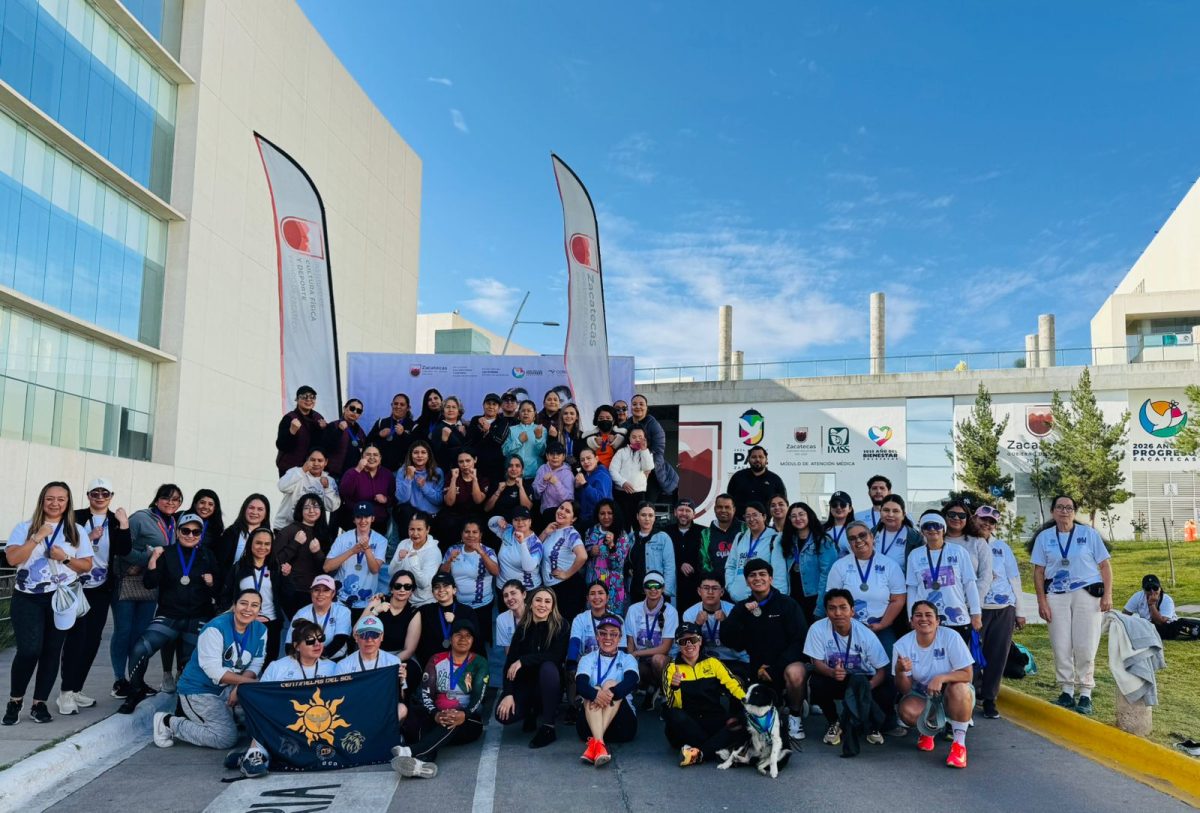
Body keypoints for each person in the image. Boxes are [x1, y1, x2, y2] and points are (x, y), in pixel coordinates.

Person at [3, 482, 92, 726]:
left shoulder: (76, 531)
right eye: (50, 498)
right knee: (29, 650)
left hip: (60, 599)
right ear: (42, 500)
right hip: (28, 598)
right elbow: (12, 559)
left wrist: (65, 558)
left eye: (61, 499)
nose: (55, 503)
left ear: (68, 502)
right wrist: (36, 537)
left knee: (52, 651)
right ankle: (15, 700)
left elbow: (86, 566)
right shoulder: (24, 528)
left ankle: (39, 704)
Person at [119, 512, 218, 713]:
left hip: (197, 617)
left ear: (201, 534)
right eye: (186, 530)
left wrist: (212, 583)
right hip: (169, 617)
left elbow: (221, 589)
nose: (190, 535)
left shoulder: (208, 555)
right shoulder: (165, 553)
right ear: (178, 532)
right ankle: (136, 690)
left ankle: (184, 703)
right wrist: (153, 560)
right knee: (139, 650)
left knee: (189, 664)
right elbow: (149, 583)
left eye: (196, 532)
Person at [152, 589, 267, 750]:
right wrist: (248, 683)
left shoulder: (261, 629)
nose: (248, 609)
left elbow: (256, 662)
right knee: (225, 738)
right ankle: (168, 722)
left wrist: (241, 686)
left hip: (230, 686)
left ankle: (232, 717)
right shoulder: (215, 628)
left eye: (254, 605)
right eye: (243, 603)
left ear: (259, 610)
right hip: (199, 690)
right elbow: (214, 671)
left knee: (262, 717)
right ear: (234, 605)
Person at [227, 618, 339, 779]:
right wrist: (241, 687)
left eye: (321, 639)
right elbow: (261, 696)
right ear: (296, 646)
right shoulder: (278, 666)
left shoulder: (333, 667)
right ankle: (253, 757)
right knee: (262, 713)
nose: (317, 644)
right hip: (282, 722)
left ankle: (251, 754)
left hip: (317, 723)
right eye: (310, 640)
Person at [1032, 495, 1113, 714]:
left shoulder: (1088, 534)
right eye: (1060, 507)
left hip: (1086, 594)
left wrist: (1107, 595)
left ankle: (1085, 693)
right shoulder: (1044, 537)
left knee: (1085, 644)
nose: (1064, 511)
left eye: (1069, 508)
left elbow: (1105, 566)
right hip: (1056, 595)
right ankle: (1066, 690)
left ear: (1075, 512)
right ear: (1052, 512)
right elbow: (1039, 571)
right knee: (1061, 644)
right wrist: (1041, 601)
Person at [58, 478, 131, 716]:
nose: (100, 497)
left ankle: (76, 688)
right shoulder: (75, 517)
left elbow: (124, 550)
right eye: (95, 493)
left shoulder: (115, 520)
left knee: (92, 640)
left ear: (111, 496)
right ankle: (65, 692)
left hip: (101, 587)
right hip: (75, 584)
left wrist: (124, 524)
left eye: (105, 493)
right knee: (75, 639)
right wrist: (87, 539)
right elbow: (61, 546)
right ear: (88, 495)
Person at [719, 558, 809, 747]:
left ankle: (795, 715)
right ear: (747, 581)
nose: (757, 578)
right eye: (752, 575)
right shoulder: (742, 607)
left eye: (762, 574)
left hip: (783, 665)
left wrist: (775, 668)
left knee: (796, 672)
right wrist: (740, 615)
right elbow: (729, 640)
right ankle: (776, 706)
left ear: (771, 578)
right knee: (748, 725)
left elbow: (800, 640)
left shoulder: (787, 604)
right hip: (755, 668)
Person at [393, 618, 490, 779]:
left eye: (468, 636)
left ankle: (409, 751)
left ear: (473, 640)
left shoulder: (479, 662)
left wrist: (463, 714)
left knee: (452, 718)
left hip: (468, 721)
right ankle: (422, 766)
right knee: (431, 726)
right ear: (450, 639)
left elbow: (479, 697)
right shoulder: (436, 659)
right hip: (436, 716)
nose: (463, 639)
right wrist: (435, 714)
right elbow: (426, 694)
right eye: (458, 635)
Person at [113, 483, 182, 699]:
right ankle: (119, 680)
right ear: (157, 499)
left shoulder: (174, 522)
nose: (171, 502)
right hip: (128, 581)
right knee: (123, 632)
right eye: (166, 498)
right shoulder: (140, 518)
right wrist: (146, 558)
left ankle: (136, 680)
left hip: (151, 585)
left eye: (176, 499)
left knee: (141, 634)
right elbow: (122, 548)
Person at [804, 589, 892, 749]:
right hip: (836, 677)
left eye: (843, 607)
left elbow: (881, 669)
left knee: (888, 686)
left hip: (864, 678)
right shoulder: (817, 629)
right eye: (832, 608)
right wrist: (831, 672)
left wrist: (868, 686)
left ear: (852, 611)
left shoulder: (865, 634)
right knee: (816, 683)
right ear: (826, 612)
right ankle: (834, 722)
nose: (838, 613)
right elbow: (816, 662)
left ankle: (873, 725)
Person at [892, 600, 975, 769]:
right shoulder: (902, 645)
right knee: (907, 710)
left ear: (937, 621)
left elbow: (968, 674)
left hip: (951, 693)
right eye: (918, 615)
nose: (924, 619)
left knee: (960, 687)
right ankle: (929, 730)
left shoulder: (951, 637)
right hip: (924, 695)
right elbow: (905, 689)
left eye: (928, 615)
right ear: (911, 621)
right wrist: (899, 671)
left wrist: (941, 678)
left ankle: (959, 745)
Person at [663, 621, 747, 767]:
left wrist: (749, 704)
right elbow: (672, 704)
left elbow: (734, 686)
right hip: (688, 722)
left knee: (742, 721)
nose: (689, 644)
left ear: (700, 641)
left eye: (693, 639)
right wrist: (675, 687)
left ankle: (700, 753)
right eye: (683, 641)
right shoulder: (671, 668)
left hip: (712, 717)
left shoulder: (713, 663)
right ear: (678, 645)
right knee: (673, 713)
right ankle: (717, 747)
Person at [495, 586, 568, 748]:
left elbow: (556, 656)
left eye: (547, 601)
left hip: (548, 684)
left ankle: (548, 727)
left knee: (548, 667)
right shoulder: (523, 628)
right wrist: (508, 693)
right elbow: (509, 664)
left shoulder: (560, 625)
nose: (542, 605)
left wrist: (523, 661)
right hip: (525, 684)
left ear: (552, 606)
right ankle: (531, 711)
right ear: (531, 603)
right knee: (503, 716)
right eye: (538, 600)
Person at [824, 522, 906, 655]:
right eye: (852, 538)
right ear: (849, 543)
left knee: (891, 662)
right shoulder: (839, 566)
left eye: (862, 535)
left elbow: (898, 599)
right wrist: (845, 625)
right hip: (847, 627)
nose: (858, 540)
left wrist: (882, 625)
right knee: (850, 663)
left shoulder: (890, 565)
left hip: (880, 626)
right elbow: (831, 599)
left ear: (872, 537)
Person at [975, 504, 1025, 718]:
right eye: (983, 519)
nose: (987, 524)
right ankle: (971, 693)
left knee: (997, 656)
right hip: (977, 609)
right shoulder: (966, 544)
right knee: (972, 655)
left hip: (1004, 609)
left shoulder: (1002, 547)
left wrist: (1020, 611)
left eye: (991, 522)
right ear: (974, 519)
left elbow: (1014, 579)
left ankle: (989, 698)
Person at [906, 510, 982, 644]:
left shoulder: (959, 552)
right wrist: (911, 616)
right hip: (926, 620)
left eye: (937, 525)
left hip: (957, 618)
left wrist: (976, 614)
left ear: (944, 529)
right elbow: (912, 588)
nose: (932, 529)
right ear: (922, 531)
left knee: (958, 656)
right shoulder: (915, 555)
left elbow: (970, 584)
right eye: (927, 526)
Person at [575, 614, 640, 766]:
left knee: (611, 684)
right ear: (597, 636)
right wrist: (596, 694)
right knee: (594, 689)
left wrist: (610, 693)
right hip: (588, 727)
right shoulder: (587, 659)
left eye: (613, 634)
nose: (608, 637)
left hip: (622, 726)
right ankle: (599, 744)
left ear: (620, 638)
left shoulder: (627, 658)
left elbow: (631, 681)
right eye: (603, 633)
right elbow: (581, 685)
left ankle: (595, 744)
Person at [223, 527, 290, 670]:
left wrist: (286, 577)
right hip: (243, 622)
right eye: (258, 543)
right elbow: (226, 594)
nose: (262, 547)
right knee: (240, 664)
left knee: (268, 666)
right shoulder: (239, 567)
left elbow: (288, 595)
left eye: (267, 544)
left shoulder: (276, 568)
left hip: (271, 624)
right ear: (251, 544)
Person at [334, 616, 410, 725]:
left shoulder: (393, 661)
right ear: (356, 637)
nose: (369, 640)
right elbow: (339, 698)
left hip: (382, 709)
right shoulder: (343, 665)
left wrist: (401, 681)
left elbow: (401, 698)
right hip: (355, 709)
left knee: (402, 709)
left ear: (381, 637)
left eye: (374, 635)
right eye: (364, 635)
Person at [325, 502, 389, 621]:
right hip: (340, 600)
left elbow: (375, 569)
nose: (363, 521)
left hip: (366, 602)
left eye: (366, 517)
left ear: (372, 518)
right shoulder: (343, 538)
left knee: (359, 632)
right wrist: (352, 551)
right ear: (354, 519)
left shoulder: (381, 540)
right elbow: (327, 567)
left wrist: (367, 548)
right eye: (359, 517)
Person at [440, 520, 500, 646]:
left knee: (480, 643)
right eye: (467, 532)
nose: (470, 535)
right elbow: (442, 576)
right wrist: (449, 560)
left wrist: (481, 552)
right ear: (462, 534)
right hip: (459, 606)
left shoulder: (488, 551)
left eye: (474, 532)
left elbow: (495, 571)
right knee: (460, 641)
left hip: (482, 606)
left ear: (480, 535)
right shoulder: (453, 550)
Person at [624, 571, 679, 706]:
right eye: (649, 586)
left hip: (665, 659)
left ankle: (667, 693)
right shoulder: (633, 610)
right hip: (642, 660)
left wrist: (637, 653)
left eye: (657, 586)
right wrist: (630, 660)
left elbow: (665, 648)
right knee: (630, 666)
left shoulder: (671, 611)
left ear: (663, 588)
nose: (653, 589)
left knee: (657, 660)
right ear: (644, 589)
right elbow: (630, 641)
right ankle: (651, 687)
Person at [274, 494, 334, 617]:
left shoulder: (324, 533)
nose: (311, 511)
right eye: (306, 508)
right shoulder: (289, 531)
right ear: (300, 511)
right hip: (293, 591)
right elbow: (274, 561)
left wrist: (317, 552)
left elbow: (326, 568)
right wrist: (295, 544)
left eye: (315, 507)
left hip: (317, 592)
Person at [782, 502, 835, 622]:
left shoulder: (823, 541)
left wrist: (820, 605)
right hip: (793, 598)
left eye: (801, 514)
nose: (798, 518)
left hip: (814, 598)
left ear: (809, 516)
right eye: (793, 516)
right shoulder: (788, 541)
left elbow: (827, 575)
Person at [680, 573, 747, 669]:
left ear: (722, 592)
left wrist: (726, 623)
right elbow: (688, 648)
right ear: (699, 591)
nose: (710, 592)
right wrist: (696, 625)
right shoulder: (689, 613)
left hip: (733, 660)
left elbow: (738, 645)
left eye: (715, 588)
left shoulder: (733, 610)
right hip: (705, 662)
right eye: (706, 588)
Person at [415, 573, 480, 667]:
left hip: (461, 665)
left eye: (445, 586)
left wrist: (456, 621)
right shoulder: (425, 611)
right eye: (437, 587)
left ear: (454, 590)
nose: (441, 590)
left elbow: (476, 640)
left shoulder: (467, 611)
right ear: (433, 592)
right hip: (433, 665)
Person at [726, 501, 787, 602]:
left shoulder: (774, 538)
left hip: (764, 600)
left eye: (755, 515)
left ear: (764, 517)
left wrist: (778, 599)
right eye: (748, 516)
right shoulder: (739, 537)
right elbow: (730, 566)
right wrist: (731, 588)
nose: (751, 519)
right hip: (739, 600)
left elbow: (779, 572)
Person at [623, 394, 679, 501]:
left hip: (650, 473)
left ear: (646, 407)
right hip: (629, 473)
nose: (638, 407)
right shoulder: (625, 426)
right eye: (634, 404)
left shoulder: (655, 426)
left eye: (641, 404)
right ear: (630, 407)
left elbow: (658, 452)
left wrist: (647, 467)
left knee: (646, 505)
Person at [539, 500, 589, 618]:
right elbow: (534, 550)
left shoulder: (571, 534)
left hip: (567, 588)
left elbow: (583, 556)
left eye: (567, 511)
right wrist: (545, 533)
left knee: (565, 625)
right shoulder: (552, 529)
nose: (562, 512)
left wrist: (566, 574)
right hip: (550, 587)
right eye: (561, 508)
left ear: (573, 519)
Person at [584, 500, 633, 614]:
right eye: (602, 513)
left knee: (613, 620)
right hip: (594, 584)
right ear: (597, 515)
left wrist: (612, 546)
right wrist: (590, 552)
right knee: (593, 617)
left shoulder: (622, 535)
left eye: (610, 513)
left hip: (613, 587)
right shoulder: (590, 532)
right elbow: (583, 556)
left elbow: (617, 565)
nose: (606, 517)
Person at [363, 571, 422, 666]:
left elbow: (409, 650)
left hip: (398, 656)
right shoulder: (378, 601)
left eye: (407, 587)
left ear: (412, 591)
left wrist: (387, 663)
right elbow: (356, 630)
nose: (402, 589)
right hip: (370, 653)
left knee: (411, 669)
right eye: (398, 586)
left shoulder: (413, 612)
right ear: (391, 589)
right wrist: (375, 611)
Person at [626, 502, 676, 604]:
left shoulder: (663, 538)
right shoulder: (630, 537)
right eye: (643, 515)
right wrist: (628, 567)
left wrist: (666, 591)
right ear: (637, 516)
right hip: (636, 590)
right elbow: (625, 560)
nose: (647, 519)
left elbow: (669, 566)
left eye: (650, 515)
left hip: (657, 590)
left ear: (654, 518)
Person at [391, 511, 444, 607]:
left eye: (419, 529)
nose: (415, 533)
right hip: (402, 599)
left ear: (427, 529)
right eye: (412, 529)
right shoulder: (403, 543)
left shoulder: (434, 552)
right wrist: (398, 560)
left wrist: (413, 560)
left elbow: (424, 584)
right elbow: (391, 573)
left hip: (423, 603)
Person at [292, 575, 352, 659]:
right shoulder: (301, 613)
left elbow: (340, 640)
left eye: (326, 590)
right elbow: (290, 644)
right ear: (311, 592)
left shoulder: (342, 611)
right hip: (307, 660)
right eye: (316, 590)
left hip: (335, 660)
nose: (320, 594)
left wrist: (320, 659)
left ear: (333, 593)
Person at [215, 493, 271, 583]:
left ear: (266, 514)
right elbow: (220, 564)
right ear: (244, 509)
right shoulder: (231, 533)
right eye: (251, 508)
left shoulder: (270, 537)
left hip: (260, 585)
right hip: (233, 584)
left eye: (260, 509)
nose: (254, 512)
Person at [1124, 574, 1200, 640]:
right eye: (1148, 588)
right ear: (1143, 590)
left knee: (1171, 627)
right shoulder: (1138, 596)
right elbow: (1125, 614)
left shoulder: (1167, 599)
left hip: (1168, 625)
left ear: (1160, 588)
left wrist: (1151, 604)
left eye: (1155, 588)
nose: (1152, 591)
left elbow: (1160, 622)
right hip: (1148, 626)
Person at [337, 443, 393, 532]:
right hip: (355, 520)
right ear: (362, 457)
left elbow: (394, 498)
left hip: (378, 521)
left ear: (380, 458)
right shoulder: (352, 472)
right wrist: (358, 469)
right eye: (368, 454)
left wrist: (386, 499)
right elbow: (343, 492)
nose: (372, 457)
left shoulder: (387, 474)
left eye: (375, 455)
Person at [393, 440, 444, 533]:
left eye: (423, 452)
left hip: (431, 515)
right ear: (411, 455)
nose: (419, 455)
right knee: (404, 510)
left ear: (429, 455)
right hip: (411, 514)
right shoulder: (402, 471)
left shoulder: (437, 472)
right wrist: (408, 478)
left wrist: (424, 486)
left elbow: (439, 500)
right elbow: (402, 499)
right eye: (416, 452)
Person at [275, 385, 327, 476]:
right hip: (290, 468)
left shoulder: (318, 418)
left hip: (311, 468)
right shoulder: (289, 418)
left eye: (312, 397)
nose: (309, 400)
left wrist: (324, 430)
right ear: (297, 399)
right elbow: (281, 445)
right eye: (304, 397)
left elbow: (322, 445)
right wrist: (291, 432)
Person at [609, 427, 655, 525]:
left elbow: (648, 468)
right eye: (634, 437)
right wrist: (623, 482)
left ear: (645, 438)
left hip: (639, 493)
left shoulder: (647, 452)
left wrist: (644, 450)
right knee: (621, 520)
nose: (637, 439)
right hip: (621, 492)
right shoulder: (621, 452)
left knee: (637, 521)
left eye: (640, 437)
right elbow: (612, 470)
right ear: (629, 438)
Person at [944, 498, 992, 591]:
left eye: (962, 515)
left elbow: (986, 576)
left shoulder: (978, 542)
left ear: (967, 519)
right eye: (952, 514)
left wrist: (975, 598)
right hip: (942, 598)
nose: (956, 518)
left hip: (971, 598)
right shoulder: (935, 541)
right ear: (944, 516)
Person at [490, 507, 544, 591]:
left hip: (526, 589)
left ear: (530, 522)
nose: (520, 522)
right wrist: (499, 519)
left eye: (524, 519)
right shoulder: (508, 531)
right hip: (503, 587)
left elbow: (528, 568)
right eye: (516, 519)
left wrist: (522, 543)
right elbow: (491, 524)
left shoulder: (536, 544)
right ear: (512, 522)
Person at [442, 449, 490, 543]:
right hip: (455, 515)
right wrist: (453, 479)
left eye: (468, 461)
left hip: (474, 516)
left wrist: (474, 479)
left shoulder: (482, 478)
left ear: (475, 460)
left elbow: (478, 500)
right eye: (461, 462)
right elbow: (449, 502)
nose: (464, 464)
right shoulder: (452, 475)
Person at [726, 446, 787, 517]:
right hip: (740, 521)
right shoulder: (738, 477)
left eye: (761, 457)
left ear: (766, 460)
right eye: (754, 457)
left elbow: (782, 503)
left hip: (765, 522)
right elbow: (729, 500)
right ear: (748, 459)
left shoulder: (775, 480)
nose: (757, 459)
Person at [698, 493, 743, 587]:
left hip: (742, 584)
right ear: (715, 509)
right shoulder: (706, 533)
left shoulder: (745, 529)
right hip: (717, 587)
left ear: (734, 509)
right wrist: (715, 582)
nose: (723, 510)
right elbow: (704, 562)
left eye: (727, 507)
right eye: (720, 507)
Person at [666, 499, 703, 608]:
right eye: (681, 510)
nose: (684, 513)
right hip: (672, 586)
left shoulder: (703, 532)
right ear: (675, 512)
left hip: (696, 585)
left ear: (694, 514)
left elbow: (707, 558)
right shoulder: (665, 532)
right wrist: (679, 564)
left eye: (688, 510)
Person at [366, 392, 415, 473]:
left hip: (402, 471)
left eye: (402, 404)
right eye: (395, 404)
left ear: (408, 408)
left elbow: (415, 448)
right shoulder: (381, 422)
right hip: (380, 469)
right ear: (391, 405)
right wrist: (379, 435)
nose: (398, 406)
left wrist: (403, 435)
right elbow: (367, 442)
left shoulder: (413, 425)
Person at [468, 392, 509, 484]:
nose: (491, 406)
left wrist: (488, 431)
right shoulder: (475, 419)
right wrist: (480, 429)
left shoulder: (503, 421)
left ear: (499, 408)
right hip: (477, 465)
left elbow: (499, 441)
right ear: (483, 405)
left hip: (495, 466)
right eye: (488, 403)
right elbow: (470, 440)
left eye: (494, 404)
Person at [503, 400, 547, 482]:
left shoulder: (541, 429)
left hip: (535, 475)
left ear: (534, 414)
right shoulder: (511, 430)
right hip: (514, 475)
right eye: (523, 410)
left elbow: (542, 453)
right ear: (519, 414)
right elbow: (505, 452)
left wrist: (538, 438)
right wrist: (519, 441)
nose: (526, 413)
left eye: (529, 411)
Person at [874, 494, 921, 571]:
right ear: (880, 512)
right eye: (886, 510)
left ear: (903, 515)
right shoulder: (871, 534)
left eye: (895, 511)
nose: (890, 514)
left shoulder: (915, 538)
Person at [533, 441, 575, 525]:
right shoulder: (542, 469)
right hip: (544, 513)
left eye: (558, 454)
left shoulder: (568, 473)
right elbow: (536, 494)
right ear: (547, 456)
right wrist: (543, 482)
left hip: (560, 515)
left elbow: (569, 499)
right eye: (552, 454)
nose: (555, 457)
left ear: (563, 456)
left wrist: (556, 483)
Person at [483, 455, 533, 524]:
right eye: (510, 466)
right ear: (506, 469)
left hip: (518, 525)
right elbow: (486, 509)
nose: (514, 469)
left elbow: (527, 508)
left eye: (517, 466)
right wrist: (498, 491)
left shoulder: (526, 486)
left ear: (522, 470)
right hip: (498, 524)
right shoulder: (497, 485)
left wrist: (521, 487)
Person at [431, 396, 471, 479]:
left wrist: (465, 435)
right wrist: (444, 441)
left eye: (454, 407)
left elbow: (470, 450)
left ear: (459, 411)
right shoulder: (438, 429)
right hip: (449, 473)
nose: (450, 410)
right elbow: (437, 457)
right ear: (443, 411)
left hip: (466, 472)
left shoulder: (465, 427)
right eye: (448, 407)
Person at [574, 448, 613, 528]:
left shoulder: (602, 475)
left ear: (596, 459)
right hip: (585, 518)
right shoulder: (587, 475)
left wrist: (584, 484)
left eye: (589, 458)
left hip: (598, 521)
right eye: (582, 460)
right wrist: (577, 488)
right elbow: (583, 498)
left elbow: (601, 500)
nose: (586, 462)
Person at [582, 404, 626, 470]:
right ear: (597, 420)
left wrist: (616, 440)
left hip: (617, 471)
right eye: (601, 418)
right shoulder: (587, 436)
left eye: (608, 418)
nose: (605, 420)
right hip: (595, 472)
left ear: (613, 420)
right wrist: (593, 442)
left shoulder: (623, 434)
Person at [494, 580, 527, 655]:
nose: (509, 598)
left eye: (513, 593)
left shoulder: (536, 613)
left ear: (524, 594)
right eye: (506, 596)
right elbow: (508, 651)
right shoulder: (501, 619)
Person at [824, 491, 855, 556]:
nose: (838, 507)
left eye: (843, 504)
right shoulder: (822, 530)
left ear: (850, 508)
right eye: (834, 505)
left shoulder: (856, 529)